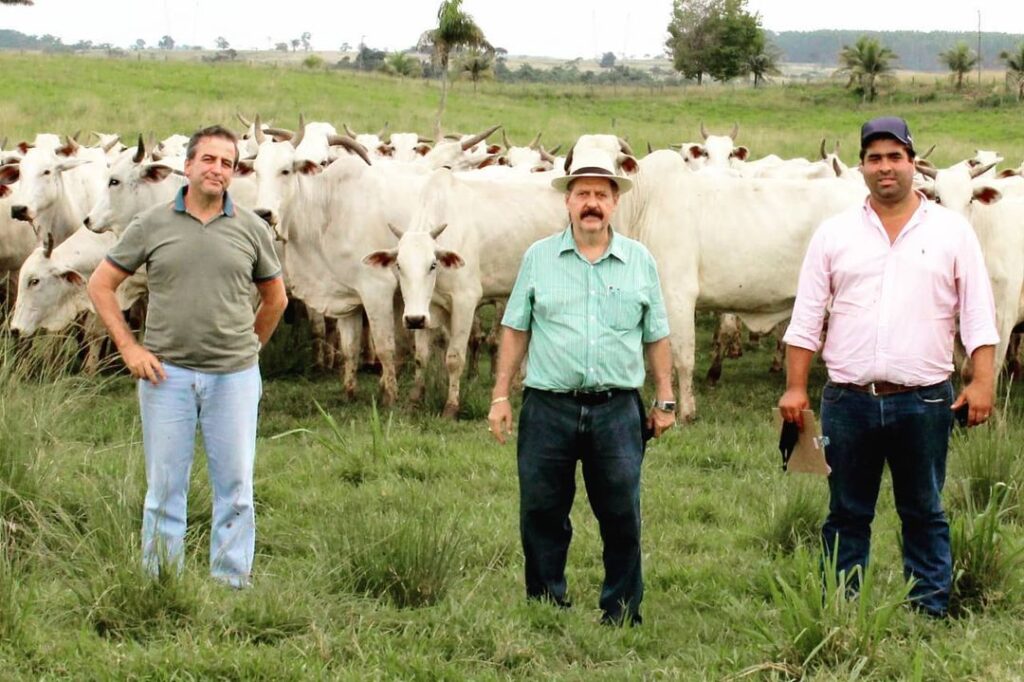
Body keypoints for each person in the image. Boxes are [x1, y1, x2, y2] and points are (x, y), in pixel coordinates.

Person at [778, 116, 999, 617]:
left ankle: (928, 609)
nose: (885, 168)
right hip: (847, 400)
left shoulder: (951, 231)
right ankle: (840, 607)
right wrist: (795, 387)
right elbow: (807, 315)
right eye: (874, 158)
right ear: (861, 167)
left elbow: (978, 313)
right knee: (847, 511)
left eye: (894, 157)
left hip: (923, 399)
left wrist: (983, 380)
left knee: (923, 509)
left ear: (913, 164)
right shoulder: (834, 234)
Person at [87, 125, 287, 588]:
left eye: (227, 163)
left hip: (233, 377)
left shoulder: (252, 229)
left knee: (236, 488)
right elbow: (101, 285)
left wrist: (249, 348)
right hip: (165, 375)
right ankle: (161, 585)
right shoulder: (151, 224)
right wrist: (128, 346)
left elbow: (275, 299)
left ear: (234, 174)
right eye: (209, 160)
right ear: (188, 165)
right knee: (164, 489)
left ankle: (231, 582)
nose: (217, 169)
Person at [487, 148, 675, 625]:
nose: (591, 203)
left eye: (601, 194)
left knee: (621, 514)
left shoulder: (639, 261)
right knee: (542, 511)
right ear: (567, 202)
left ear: (615, 203)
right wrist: (501, 395)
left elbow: (656, 334)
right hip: (548, 407)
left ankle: (622, 609)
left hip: (616, 409)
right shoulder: (539, 258)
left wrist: (666, 398)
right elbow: (515, 328)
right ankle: (547, 604)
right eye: (582, 194)